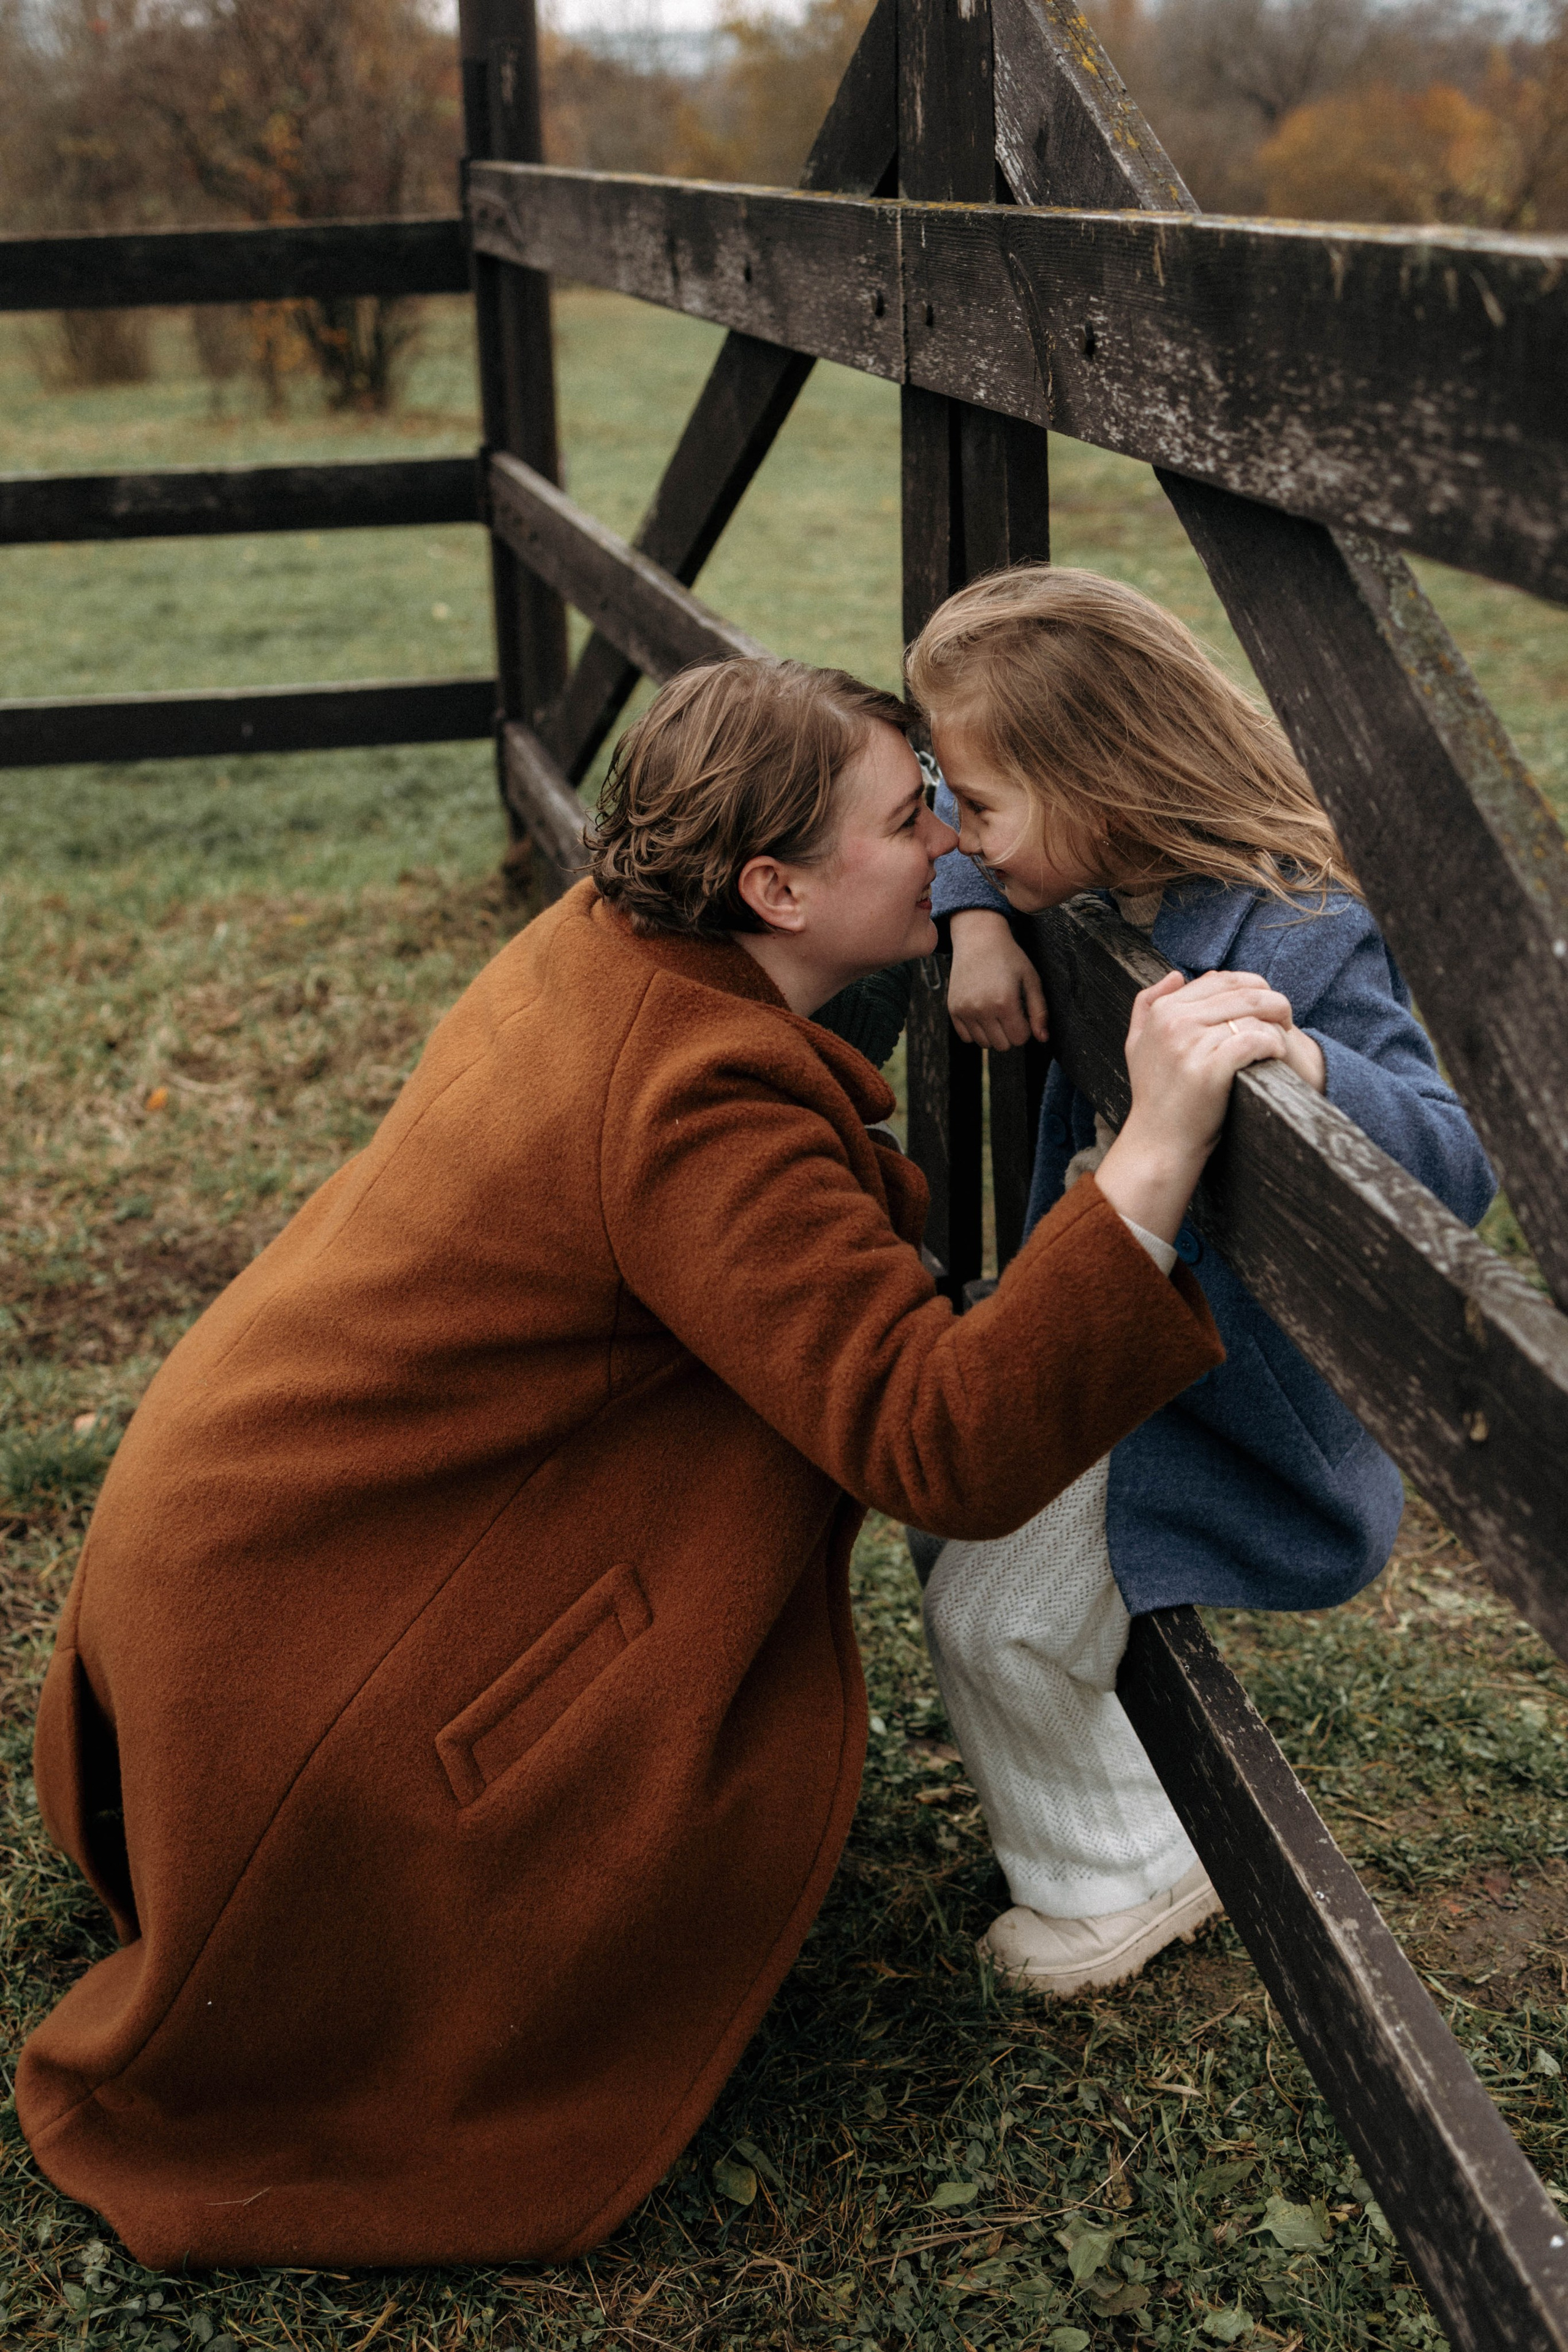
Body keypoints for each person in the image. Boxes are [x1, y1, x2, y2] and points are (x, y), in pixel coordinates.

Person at [20, 657, 1286, 2270]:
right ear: (776, 889)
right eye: (910, 818)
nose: (950, 841)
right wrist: (1151, 1158)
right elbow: (938, 1440)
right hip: (303, 1668)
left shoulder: (610, 943)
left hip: (232, 1575)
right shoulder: (700, 1094)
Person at [904, 566, 1495, 1999]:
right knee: (954, 1511)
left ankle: (1127, 1872)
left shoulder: (1297, 935)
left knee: (996, 1610)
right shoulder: (1082, 858)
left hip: (1216, 1386)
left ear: (1097, 789)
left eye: (974, 809)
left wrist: (1305, 1067)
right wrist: (972, 909)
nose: (949, 830)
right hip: (1108, 1307)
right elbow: (961, 814)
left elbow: (1451, 1163)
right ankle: (1117, 1780)